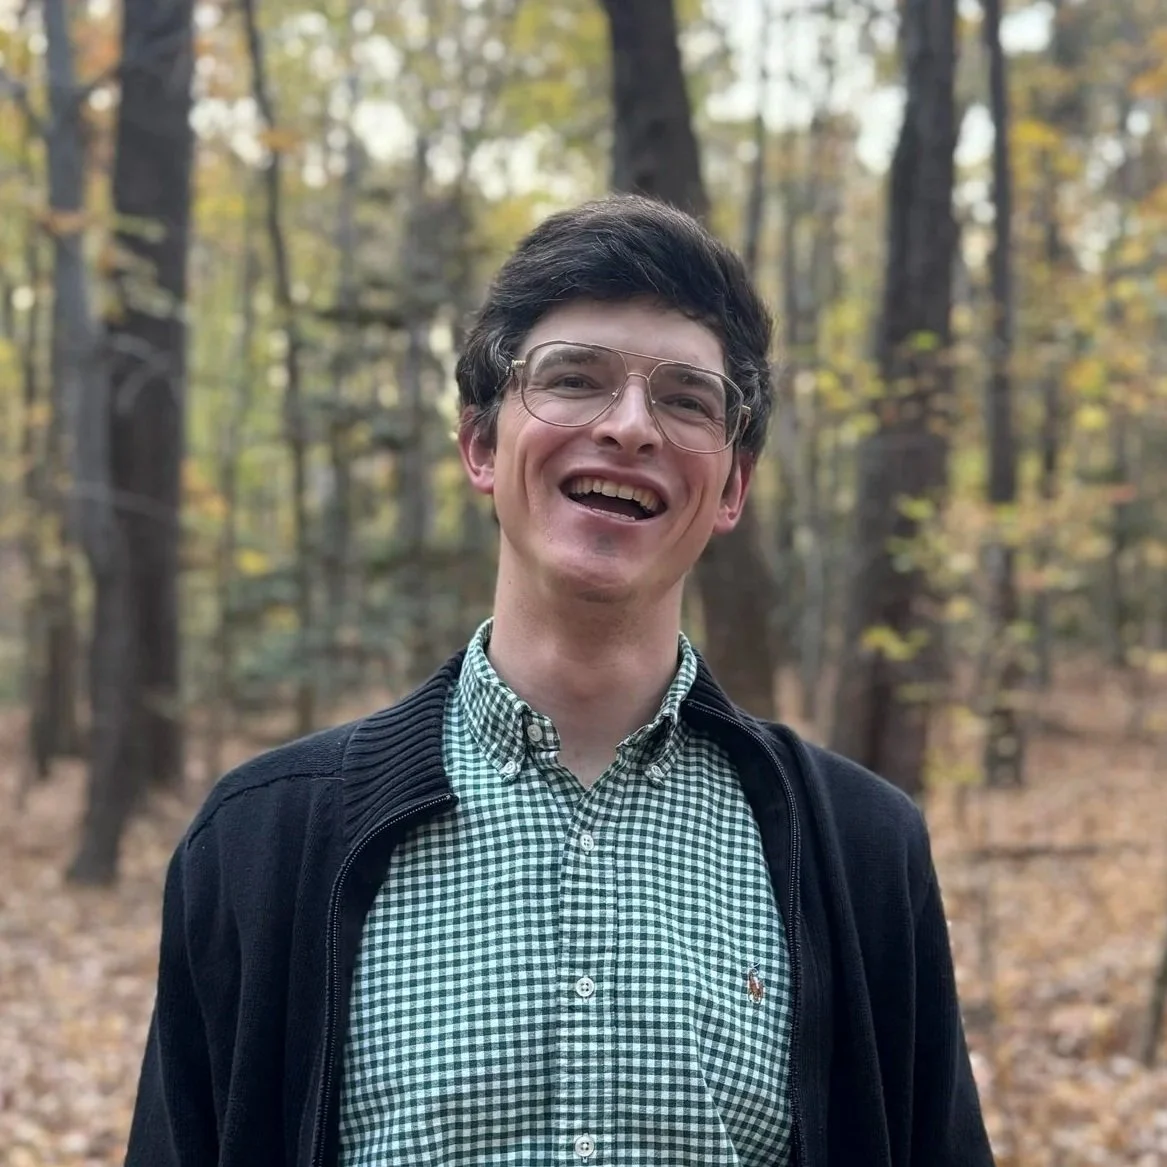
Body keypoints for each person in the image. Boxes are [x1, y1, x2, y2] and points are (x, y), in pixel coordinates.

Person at [126, 194, 994, 1167]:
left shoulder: (864, 855)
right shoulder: (259, 843)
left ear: (733, 486)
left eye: (686, 399)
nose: (629, 427)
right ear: (480, 444)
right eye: (575, 379)